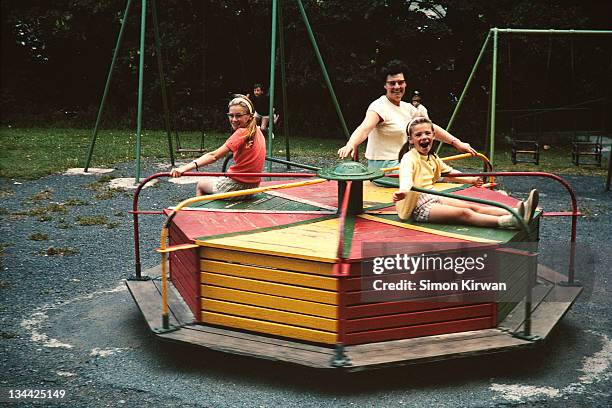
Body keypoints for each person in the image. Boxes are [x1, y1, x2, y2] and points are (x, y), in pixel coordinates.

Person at [392, 117, 539, 229]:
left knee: (472, 207)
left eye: (427, 133)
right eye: (418, 135)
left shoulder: (432, 157)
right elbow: (406, 177)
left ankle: (517, 211)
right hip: (418, 206)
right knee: (464, 214)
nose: (423, 137)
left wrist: (470, 180)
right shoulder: (408, 158)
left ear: (433, 136)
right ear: (411, 140)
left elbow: (449, 172)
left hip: (431, 196)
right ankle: (508, 221)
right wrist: (403, 191)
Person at [337, 60, 476, 169]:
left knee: (433, 162)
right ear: (385, 86)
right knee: (426, 168)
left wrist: (456, 143)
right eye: (392, 83)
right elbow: (364, 128)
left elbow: (430, 128)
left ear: (405, 84)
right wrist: (350, 144)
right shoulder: (379, 106)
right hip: (384, 168)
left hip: (403, 162)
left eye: (400, 82)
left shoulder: (407, 108)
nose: (397, 86)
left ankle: (469, 181)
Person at [170, 94, 266, 197]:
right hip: (253, 186)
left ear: (249, 116)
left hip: (237, 187)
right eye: (231, 115)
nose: (233, 119)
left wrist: (183, 168)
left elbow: (213, 156)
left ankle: (203, 212)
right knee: (216, 180)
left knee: (201, 185)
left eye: (238, 115)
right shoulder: (257, 130)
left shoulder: (242, 132)